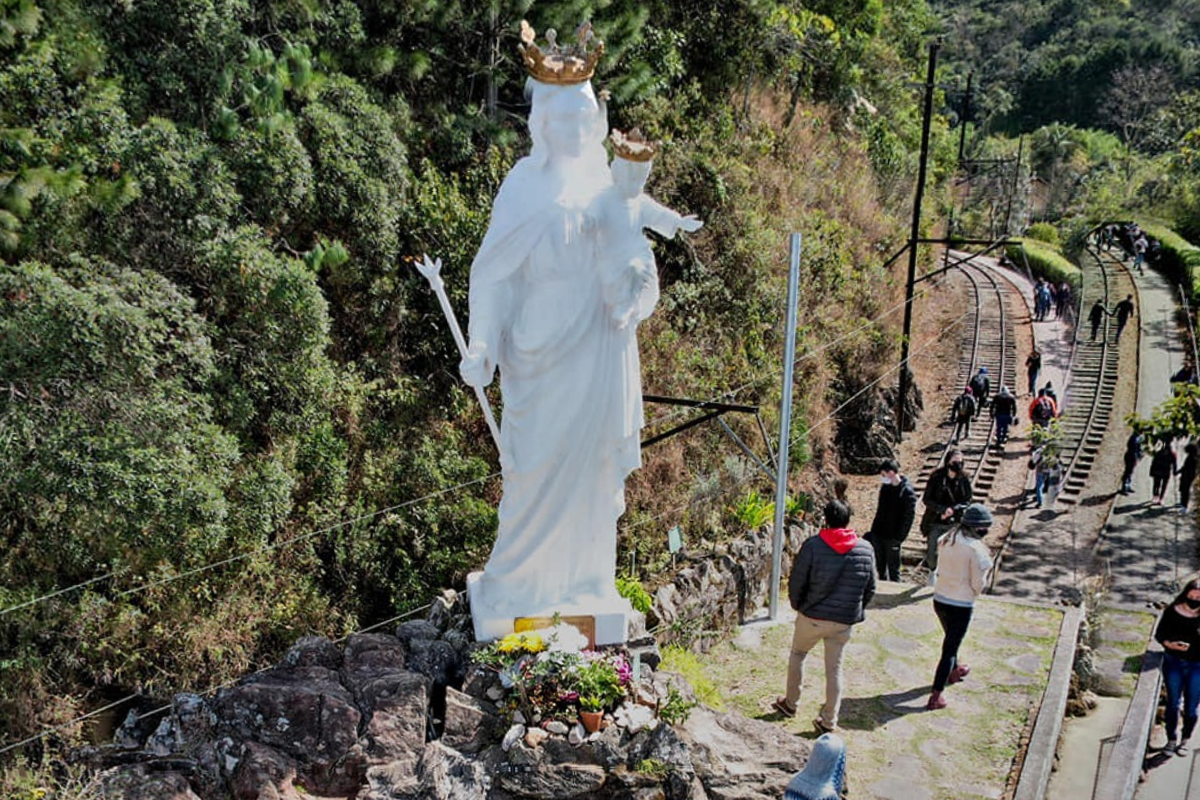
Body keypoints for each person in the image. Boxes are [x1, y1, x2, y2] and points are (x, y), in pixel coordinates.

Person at [459, 29, 702, 636]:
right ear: (541, 122)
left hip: (597, 345)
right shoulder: (522, 186)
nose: (572, 130)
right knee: (532, 469)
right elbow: (491, 274)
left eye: (582, 117)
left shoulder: (606, 183)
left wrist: (632, 285)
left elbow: (635, 253)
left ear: (594, 121)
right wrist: (482, 343)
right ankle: (517, 582)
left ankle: (587, 582)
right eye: (561, 118)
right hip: (537, 351)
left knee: (594, 470)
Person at [773, 500, 876, 734]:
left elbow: (797, 579)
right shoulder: (865, 549)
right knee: (834, 669)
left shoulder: (813, 546)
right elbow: (871, 587)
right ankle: (829, 721)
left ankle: (790, 703)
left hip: (812, 615)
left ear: (826, 519)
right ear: (848, 519)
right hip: (843, 621)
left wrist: (797, 605)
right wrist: (855, 609)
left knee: (798, 654)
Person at [926, 503, 995, 710]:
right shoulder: (977, 550)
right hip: (961, 603)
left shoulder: (947, 539)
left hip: (940, 598)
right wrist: (974, 593)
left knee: (951, 638)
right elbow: (978, 583)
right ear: (977, 529)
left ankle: (955, 670)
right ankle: (936, 694)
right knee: (950, 648)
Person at [1154, 577, 1200, 754]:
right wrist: (1169, 644)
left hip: (1197, 665)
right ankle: (1171, 739)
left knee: (1191, 707)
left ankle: (1185, 739)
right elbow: (1160, 634)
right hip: (1174, 662)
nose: (1194, 601)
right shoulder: (1172, 612)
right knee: (1173, 704)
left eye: (1198, 599)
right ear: (1185, 594)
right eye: (1192, 596)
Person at [920, 449, 973, 571]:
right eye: (954, 461)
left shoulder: (964, 479)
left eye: (960, 462)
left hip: (954, 522)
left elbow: (967, 500)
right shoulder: (936, 477)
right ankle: (933, 571)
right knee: (932, 554)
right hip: (935, 521)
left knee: (953, 555)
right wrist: (942, 510)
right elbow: (927, 499)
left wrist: (953, 510)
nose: (957, 465)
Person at [868, 459, 918, 581]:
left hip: (893, 536)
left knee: (894, 568)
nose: (882, 478)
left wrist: (899, 537)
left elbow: (908, 518)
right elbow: (880, 510)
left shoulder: (906, 492)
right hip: (879, 533)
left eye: (883, 475)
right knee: (880, 565)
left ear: (891, 473)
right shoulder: (885, 488)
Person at [1149, 438, 1178, 505]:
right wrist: (1174, 471)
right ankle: (1157, 497)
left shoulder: (1170, 454)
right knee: (1158, 485)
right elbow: (1154, 462)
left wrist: (1174, 471)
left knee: (1160, 485)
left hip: (1164, 471)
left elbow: (1174, 464)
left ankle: (1159, 497)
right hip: (1160, 471)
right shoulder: (1161, 454)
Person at [1119, 428, 1145, 494]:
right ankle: (1124, 487)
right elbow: (1134, 448)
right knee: (1128, 472)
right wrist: (1139, 454)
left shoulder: (1136, 437)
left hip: (1132, 456)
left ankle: (1127, 486)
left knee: (1130, 472)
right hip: (1131, 457)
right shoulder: (1135, 438)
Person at [1179, 443, 1198, 512]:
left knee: (1185, 490)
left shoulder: (1193, 458)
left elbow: (1189, 468)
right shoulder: (1190, 457)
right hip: (1186, 475)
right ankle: (1182, 502)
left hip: (1188, 476)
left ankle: (1184, 505)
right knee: (1183, 489)